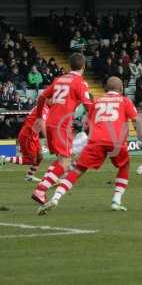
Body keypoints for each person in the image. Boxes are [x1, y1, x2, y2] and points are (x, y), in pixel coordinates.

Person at [37, 77, 142, 215]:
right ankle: (116, 200)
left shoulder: (97, 101)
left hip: (96, 139)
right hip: (115, 140)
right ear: (121, 89)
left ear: (106, 88)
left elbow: (88, 124)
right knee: (124, 165)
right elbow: (137, 120)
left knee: (78, 169)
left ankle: (56, 197)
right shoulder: (124, 100)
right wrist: (140, 138)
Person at [31, 53, 92, 205]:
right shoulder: (79, 82)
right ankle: (40, 189)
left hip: (50, 122)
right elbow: (88, 105)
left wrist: (39, 117)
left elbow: (41, 97)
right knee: (64, 162)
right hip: (62, 125)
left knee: (62, 160)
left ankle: (47, 183)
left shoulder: (59, 79)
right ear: (83, 66)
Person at [0, 104, 49, 182]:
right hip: (28, 135)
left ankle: (29, 176)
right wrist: (47, 138)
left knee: (40, 157)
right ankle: (4, 158)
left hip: (33, 135)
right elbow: (41, 122)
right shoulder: (44, 108)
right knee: (30, 160)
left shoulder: (43, 107)